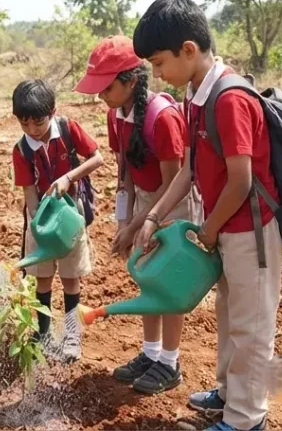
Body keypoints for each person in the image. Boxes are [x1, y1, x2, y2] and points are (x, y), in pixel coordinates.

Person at [132, 0, 282, 431]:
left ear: (189, 50)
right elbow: (190, 170)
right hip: (226, 227)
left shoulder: (230, 98)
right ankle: (228, 394)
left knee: (252, 330)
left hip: (250, 230)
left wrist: (211, 230)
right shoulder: (195, 96)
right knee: (229, 315)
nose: (157, 74)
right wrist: (154, 215)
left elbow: (242, 181)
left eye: (159, 63)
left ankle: (245, 418)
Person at [76, 35, 196, 395]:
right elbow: (124, 170)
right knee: (148, 277)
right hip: (145, 200)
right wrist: (124, 219)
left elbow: (174, 181)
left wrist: (141, 222)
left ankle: (170, 362)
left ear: (130, 81)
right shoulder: (116, 115)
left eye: (107, 87)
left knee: (171, 283)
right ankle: (150, 353)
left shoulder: (163, 118)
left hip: (172, 202)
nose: (101, 96)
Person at [11, 78, 105, 361]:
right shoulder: (21, 149)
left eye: (38, 124)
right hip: (41, 218)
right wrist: (37, 226)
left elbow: (97, 158)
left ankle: (72, 335)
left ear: (52, 112)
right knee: (42, 277)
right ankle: (43, 334)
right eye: (24, 124)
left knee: (70, 277)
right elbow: (29, 191)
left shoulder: (67, 129)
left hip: (69, 216)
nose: (32, 131)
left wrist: (69, 177)